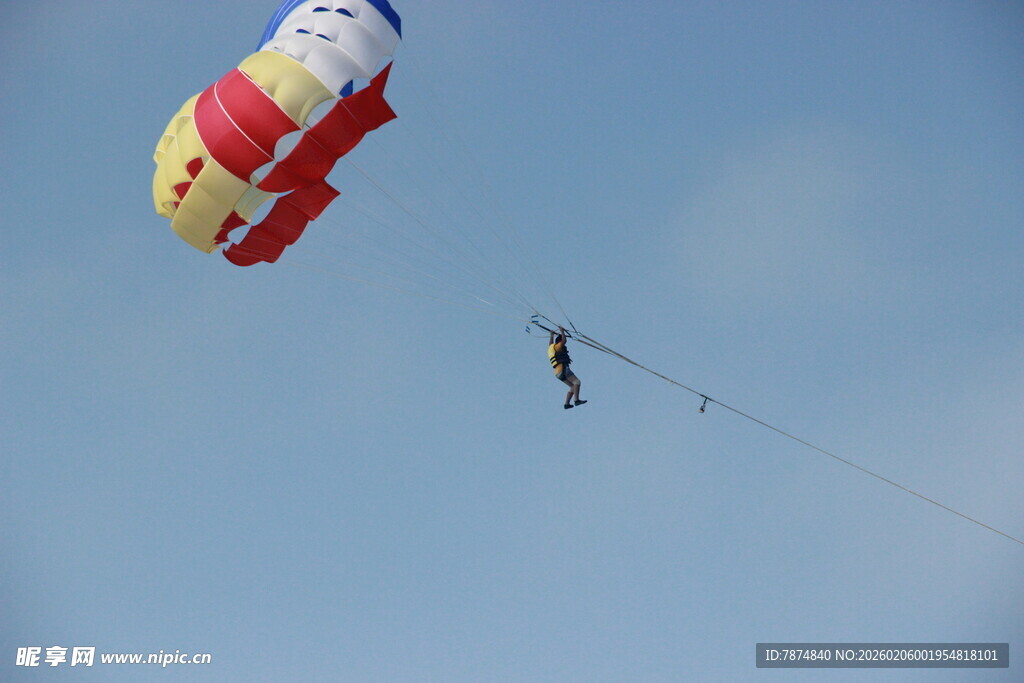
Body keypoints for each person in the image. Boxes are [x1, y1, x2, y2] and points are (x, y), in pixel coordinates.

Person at [548, 326, 587, 409]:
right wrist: (562, 331)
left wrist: (551, 335)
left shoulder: (551, 348)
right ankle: (576, 400)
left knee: (572, 387)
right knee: (577, 382)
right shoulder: (557, 347)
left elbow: (550, 344)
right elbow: (564, 341)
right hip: (562, 369)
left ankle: (566, 404)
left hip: (557, 373)